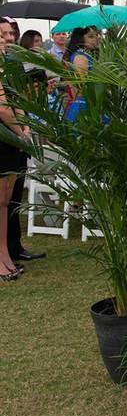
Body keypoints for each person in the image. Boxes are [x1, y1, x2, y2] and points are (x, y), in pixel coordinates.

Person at [0, 18, 33, 278]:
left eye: (10, 34)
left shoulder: (8, 67)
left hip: (12, 137)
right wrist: (19, 132)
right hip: (4, 137)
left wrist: (24, 127)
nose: (7, 39)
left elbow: (15, 98)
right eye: (2, 35)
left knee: (5, 201)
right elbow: (1, 106)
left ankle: (6, 254)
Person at [63, 26, 99, 122]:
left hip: (92, 105)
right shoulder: (80, 57)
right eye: (90, 36)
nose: (95, 39)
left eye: (96, 36)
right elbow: (81, 88)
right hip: (84, 107)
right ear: (80, 38)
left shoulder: (88, 56)